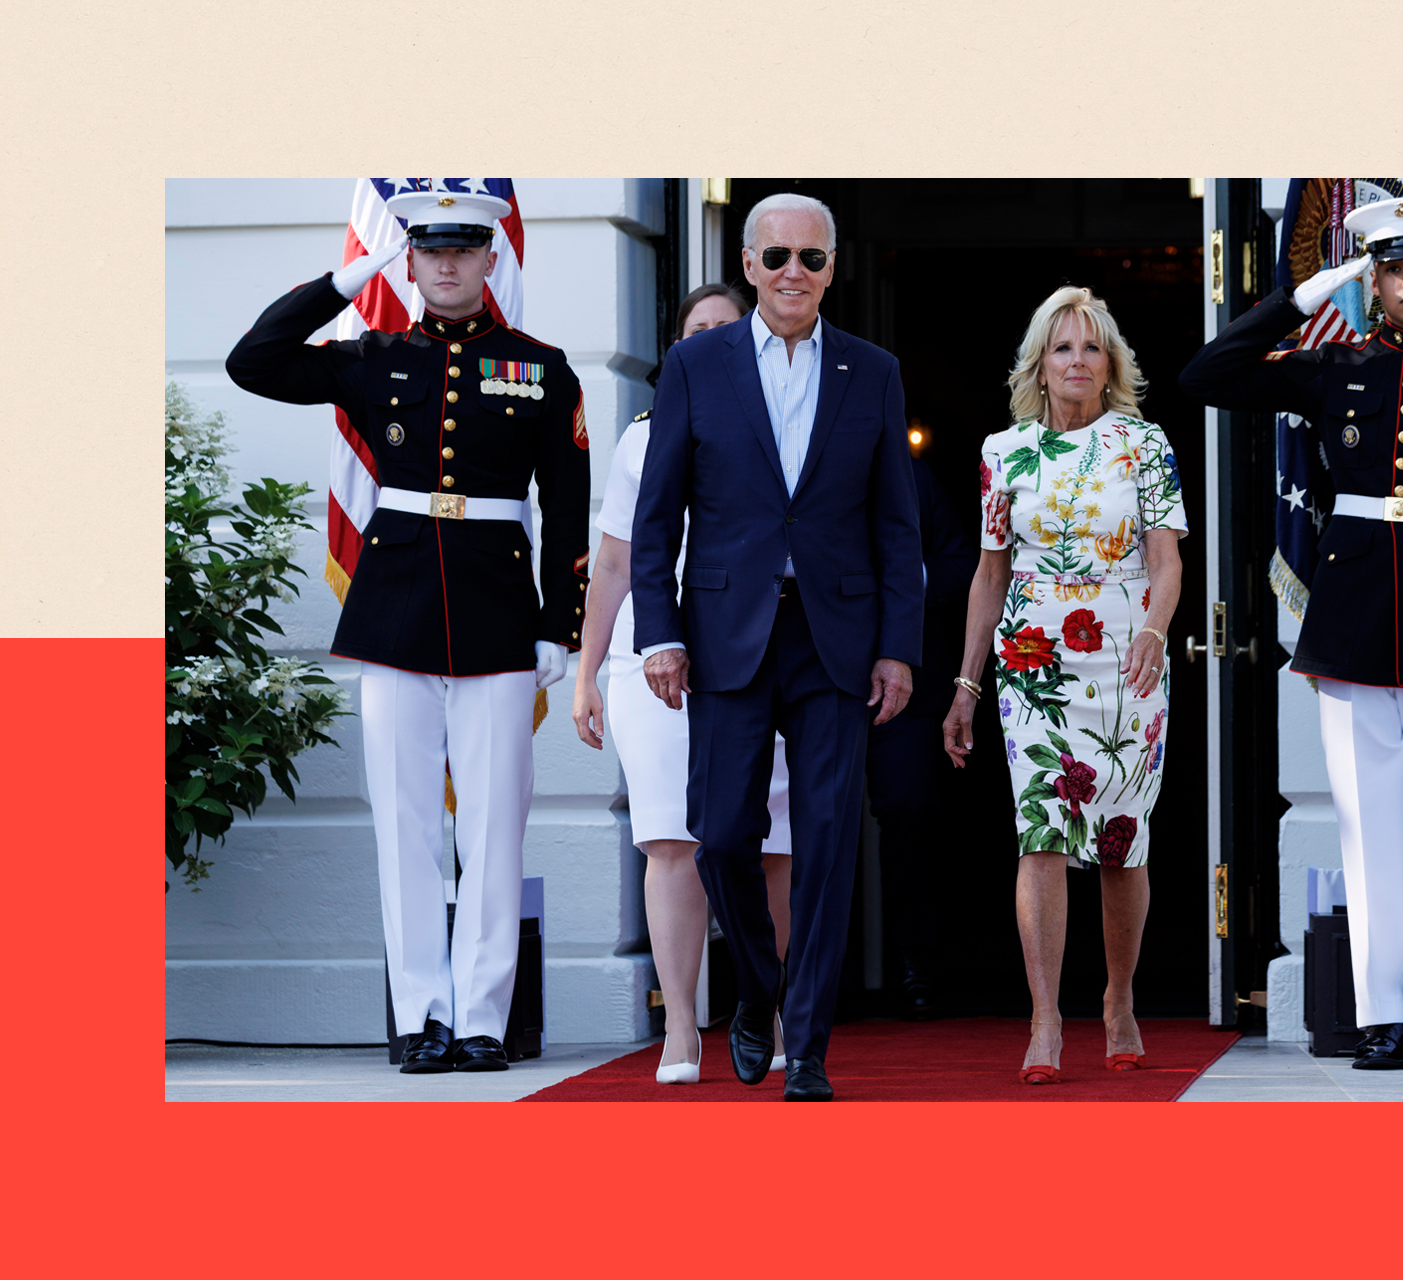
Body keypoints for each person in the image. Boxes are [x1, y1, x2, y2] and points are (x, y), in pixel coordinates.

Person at [226, 186, 590, 1073]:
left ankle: (482, 1023)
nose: (450, 265)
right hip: (393, 617)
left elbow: (570, 506)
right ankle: (423, 1015)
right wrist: (347, 280)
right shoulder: (371, 355)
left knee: (493, 832)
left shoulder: (540, 366)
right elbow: (254, 360)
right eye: (431, 251)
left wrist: (559, 625)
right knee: (406, 829)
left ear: (491, 256)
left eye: (466, 249)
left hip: (501, 621)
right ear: (412, 259)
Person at [1177, 196, 1403, 1071]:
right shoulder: (1333, 366)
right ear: (1370, 281)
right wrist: (1297, 301)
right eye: (1391, 269)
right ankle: (1379, 1018)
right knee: (1367, 828)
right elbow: (1206, 377)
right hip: (1353, 622)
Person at [631, 192, 923, 1102]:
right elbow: (656, 516)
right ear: (749, 266)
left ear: (832, 268)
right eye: (776, 256)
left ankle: (812, 1042)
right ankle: (760, 988)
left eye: (812, 257)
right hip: (722, 634)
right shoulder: (694, 364)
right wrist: (659, 633)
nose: (794, 271)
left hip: (836, 636)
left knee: (832, 842)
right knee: (720, 836)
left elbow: (895, 524)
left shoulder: (872, 371)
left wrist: (899, 647)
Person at [942, 286, 1187, 1084]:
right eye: (1061, 347)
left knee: (1120, 839)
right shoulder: (1002, 452)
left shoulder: (1143, 445)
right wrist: (966, 685)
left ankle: (1117, 999)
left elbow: (1166, 561)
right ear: (1039, 366)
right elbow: (988, 574)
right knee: (1040, 831)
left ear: (1109, 362)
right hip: (1032, 658)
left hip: (1126, 655)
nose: (1077, 360)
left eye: (1090, 347)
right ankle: (1045, 1016)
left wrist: (1153, 628)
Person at [571, 283, 795, 1084]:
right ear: (679, 348)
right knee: (671, 836)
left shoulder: (792, 426)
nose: (711, 342)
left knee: (771, 844)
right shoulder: (645, 434)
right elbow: (616, 561)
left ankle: (765, 1010)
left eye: (726, 331)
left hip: (757, 653)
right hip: (654, 661)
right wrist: (586, 671)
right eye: (697, 332)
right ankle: (680, 1032)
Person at [867, 451, 978, 1017]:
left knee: (911, 811)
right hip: (818, 680)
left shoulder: (911, 472)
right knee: (814, 823)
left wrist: (908, 576)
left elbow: (965, 563)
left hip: (910, 683)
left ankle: (917, 963)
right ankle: (817, 972)